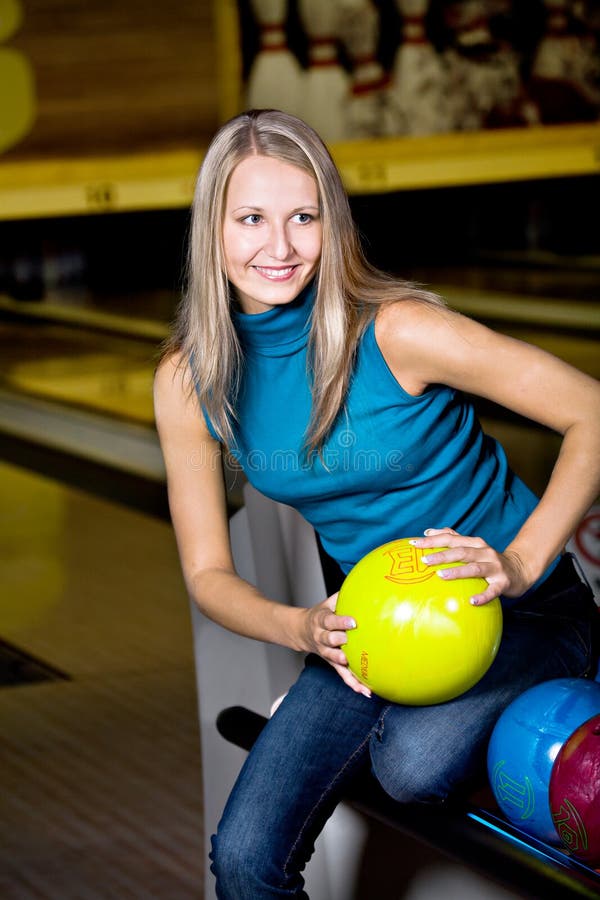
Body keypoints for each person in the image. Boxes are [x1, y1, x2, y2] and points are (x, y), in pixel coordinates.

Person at [154, 108, 600, 899]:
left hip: (522, 612)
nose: (279, 247)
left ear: (334, 221)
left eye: (304, 217)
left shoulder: (398, 332)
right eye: (251, 218)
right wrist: (301, 630)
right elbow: (205, 573)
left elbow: (590, 410)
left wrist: (524, 562)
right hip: (371, 633)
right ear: (212, 228)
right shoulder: (190, 381)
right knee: (246, 859)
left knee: (410, 765)